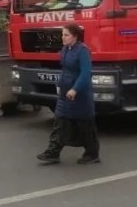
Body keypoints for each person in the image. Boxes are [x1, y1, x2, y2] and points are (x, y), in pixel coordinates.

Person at [37, 23, 100, 165]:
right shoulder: (65, 49)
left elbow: (85, 73)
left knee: (84, 124)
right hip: (65, 93)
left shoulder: (83, 51)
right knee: (60, 120)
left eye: (66, 35)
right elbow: (65, 70)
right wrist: (60, 86)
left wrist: (75, 89)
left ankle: (92, 152)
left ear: (75, 36)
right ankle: (52, 152)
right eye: (62, 35)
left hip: (80, 95)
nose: (63, 38)